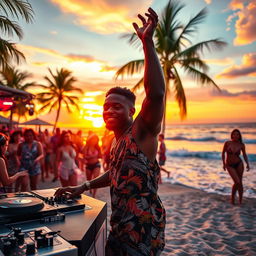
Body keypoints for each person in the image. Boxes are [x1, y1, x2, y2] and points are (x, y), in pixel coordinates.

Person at [55, 7, 166, 255]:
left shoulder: (141, 132)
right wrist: (83, 187)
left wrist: (147, 42)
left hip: (143, 232)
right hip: (119, 227)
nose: (109, 110)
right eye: (106, 106)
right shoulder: (116, 142)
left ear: (131, 111)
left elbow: (157, 94)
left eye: (117, 106)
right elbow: (114, 173)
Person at [222, 129, 250, 205]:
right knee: (237, 182)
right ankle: (232, 198)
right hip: (229, 165)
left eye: (237, 134)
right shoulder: (227, 143)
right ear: (232, 135)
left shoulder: (241, 145)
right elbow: (223, 153)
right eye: (234, 134)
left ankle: (240, 201)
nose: (236, 136)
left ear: (239, 136)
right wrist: (224, 164)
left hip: (239, 164)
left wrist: (247, 163)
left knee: (240, 183)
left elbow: (244, 155)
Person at [83, 133, 102, 197]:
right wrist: (92, 156)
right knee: (89, 180)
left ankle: (94, 195)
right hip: (88, 165)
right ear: (90, 140)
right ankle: (90, 189)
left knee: (96, 179)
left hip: (96, 164)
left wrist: (99, 155)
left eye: (96, 140)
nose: (95, 141)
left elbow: (100, 156)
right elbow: (84, 156)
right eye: (93, 139)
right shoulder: (86, 147)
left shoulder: (98, 147)